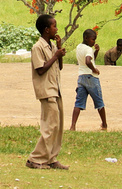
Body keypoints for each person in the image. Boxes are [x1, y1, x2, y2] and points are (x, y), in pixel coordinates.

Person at [26, 14, 68, 170]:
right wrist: (55, 55)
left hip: (56, 89)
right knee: (49, 125)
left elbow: (59, 67)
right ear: (46, 29)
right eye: (54, 26)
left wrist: (59, 52)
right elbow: (41, 69)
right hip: (46, 90)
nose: (56, 29)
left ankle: (51, 158)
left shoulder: (52, 46)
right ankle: (35, 158)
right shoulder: (37, 47)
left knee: (57, 126)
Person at [70, 29, 108, 131]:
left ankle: (73, 126)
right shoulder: (88, 49)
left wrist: (97, 51)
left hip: (81, 77)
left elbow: (91, 59)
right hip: (91, 77)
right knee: (99, 101)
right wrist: (94, 69)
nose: (94, 42)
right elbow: (88, 61)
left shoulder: (79, 47)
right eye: (92, 39)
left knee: (78, 102)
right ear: (86, 38)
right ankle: (104, 124)